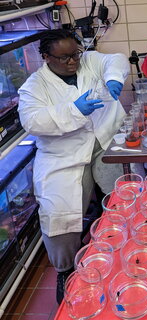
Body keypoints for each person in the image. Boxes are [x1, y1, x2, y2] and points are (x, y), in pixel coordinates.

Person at [18, 29, 131, 304]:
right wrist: (74, 109)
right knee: (59, 214)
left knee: (121, 195)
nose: (73, 62)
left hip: (105, 140)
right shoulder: (34, 87)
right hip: (63, 154)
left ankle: (121, 248)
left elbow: (115, 60)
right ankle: (65, 270)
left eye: (75, 54)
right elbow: (31, 121)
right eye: (64, 57)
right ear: (46, 57)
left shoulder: (89, 60)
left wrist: (114, 78)